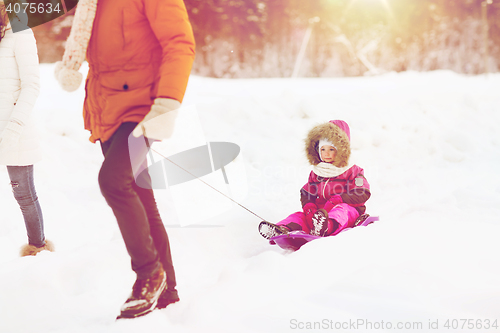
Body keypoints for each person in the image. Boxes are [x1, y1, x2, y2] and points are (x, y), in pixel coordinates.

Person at [55, 0, 195, 319]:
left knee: (113, 181)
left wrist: (167, 102)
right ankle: (168, 292)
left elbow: (179, 43)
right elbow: (45, 7)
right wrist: (10, 17)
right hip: (108, 109)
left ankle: (149, 274)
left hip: (144, 108)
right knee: (142, 199)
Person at [0, 0, 53, 256]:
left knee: (24, 195)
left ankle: (38, 248)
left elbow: (31, 85)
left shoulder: (20, 31)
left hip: (15, 128)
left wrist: (14, 127)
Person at [258, 120, 371, 239]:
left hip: (349, 210)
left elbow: (362, 192)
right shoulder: (318, 172)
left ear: (342, 150)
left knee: (341, 211)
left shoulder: (353, 170)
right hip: (320, 214)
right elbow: (307, 191)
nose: (326, 153)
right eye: (323, 149)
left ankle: (327, 226)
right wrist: (309, 208)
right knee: (299, 216)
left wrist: (338, 199)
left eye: (331, 149)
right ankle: (282, 229)